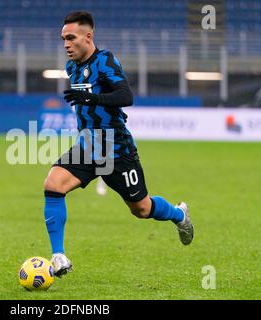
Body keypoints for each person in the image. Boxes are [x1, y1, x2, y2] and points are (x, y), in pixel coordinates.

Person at [44, 11, 194, 277]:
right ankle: (58, 256)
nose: (66, 44)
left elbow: (126, 95)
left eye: (71, 38)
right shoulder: (72, 67)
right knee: (53, 185)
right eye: (63, 39)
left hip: (116, 149)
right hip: (89, 146)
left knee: (142, 208)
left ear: (88, 37)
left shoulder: (105, 60)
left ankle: (178, 215)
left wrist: (93, 99)